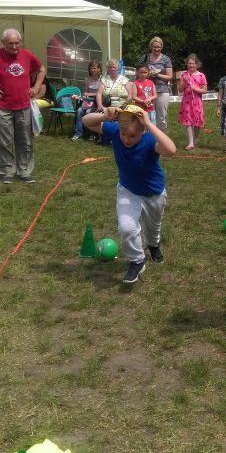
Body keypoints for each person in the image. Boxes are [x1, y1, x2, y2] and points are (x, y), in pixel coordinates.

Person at [83, 104, 176, 284]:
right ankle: (137, 260)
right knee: (126, 227)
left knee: (153, 226)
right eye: (123, 134)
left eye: (132, 136)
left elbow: (171, 150)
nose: (126, 139)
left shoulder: (148, 140)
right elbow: (86, 121)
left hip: (153, 193)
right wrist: (104, 117)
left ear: (142, 131)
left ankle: (153, 245)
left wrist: (148, 124)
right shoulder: (114, 130)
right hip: (128, 189)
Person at [0, 28, 45, 184]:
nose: (14, 47)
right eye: (10, 43)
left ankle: (24, 171)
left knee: (25, 140)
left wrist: (36, 87)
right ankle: (7, 171)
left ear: (21, 42)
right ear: (3, 43)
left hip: (24, 105)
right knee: (5, 140)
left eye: (17, 43)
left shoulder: (27, 55)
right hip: (3, 106)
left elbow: (41, 70)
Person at [137, 36, 173, 131]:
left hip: (162, 91)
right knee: (146, 114)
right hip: (146, 91)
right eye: (154, 47)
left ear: (162, 47)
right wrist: (147, 74)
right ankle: (146, 135)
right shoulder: (144, 58)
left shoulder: (166, 59)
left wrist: (158, 75)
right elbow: (139, 73)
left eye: (159, 47)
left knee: (161, 115)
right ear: (151, 47)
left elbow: (170, 76)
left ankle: (161, 137)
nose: (156, 49)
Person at [177, 54, 207, 150]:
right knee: (188, 121)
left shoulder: (201, 75)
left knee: (197, 121)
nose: (191, 66)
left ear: (197, 64)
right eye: (189, 63)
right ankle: (190, 142)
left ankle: (196, 138)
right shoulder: (184, 75)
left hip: (197, 102)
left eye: (193, 63)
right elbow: (180, 90)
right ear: (187, 64)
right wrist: (185, 83)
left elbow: (204, 90)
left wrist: (195, 88)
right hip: (186, 102)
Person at [71, 61, 103, 141]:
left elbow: (101, 93)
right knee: (79, 111)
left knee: (89, 112)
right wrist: (89, 94)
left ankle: (92, 133)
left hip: (97, 101)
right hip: (88, 101)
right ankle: (78, 133)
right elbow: (85, 92)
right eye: (91, 68)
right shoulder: (87, 79)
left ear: (99, 69)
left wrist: (91, 94)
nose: (93, 70)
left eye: (95, 68)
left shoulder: (102, 79)